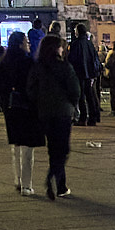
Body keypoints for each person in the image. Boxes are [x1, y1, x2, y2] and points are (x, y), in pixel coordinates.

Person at [30, 32, 80, 200]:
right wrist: (73, 104)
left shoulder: (38, 67)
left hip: (44, 113)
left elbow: (31, 90)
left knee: (53, 150)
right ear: (56, 49)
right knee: (63, 149)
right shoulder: (64, 67)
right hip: (62, 112)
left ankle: (61, 185)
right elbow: (75, 90)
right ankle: (53, 178)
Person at [0, 31, 42, 196]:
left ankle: (17, 179)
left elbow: (0, 86)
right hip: (26, 106)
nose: (28, 44)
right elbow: (34, 84)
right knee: (28, 147)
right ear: (20, 44)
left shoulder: (5, 61)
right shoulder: (28, 62)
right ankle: (26, 184)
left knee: (15, 144)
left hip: (10, 106)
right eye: (26, 41)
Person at [68, 25, 102, 126]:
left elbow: (72, 59)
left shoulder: (76, 44)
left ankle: (83, 118)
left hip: (79, 73)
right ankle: (93, 117)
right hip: (89, 73)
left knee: (81, 96)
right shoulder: (89, 44)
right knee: (90, 95)